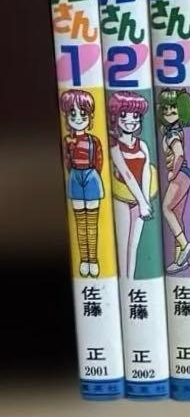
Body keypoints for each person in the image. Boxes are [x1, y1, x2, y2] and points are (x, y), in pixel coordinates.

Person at [108, 92, 158, 280]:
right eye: (124, 115)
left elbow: (146, 172)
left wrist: (145, 201)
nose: (130, 120)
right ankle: (125, 281)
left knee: (133, 245)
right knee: (123, 246)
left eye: (135, 116)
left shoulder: (142, 145)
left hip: (140, 201)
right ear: (115, 117)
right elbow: (127, 174)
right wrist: (142, 202)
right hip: (122, 197)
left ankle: (131, 281)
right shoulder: (115, 146)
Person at [61, 89, 105, 278]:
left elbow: (99, 161)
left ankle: (93, 259)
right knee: (80, 223)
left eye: (83, 113)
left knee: (92, 223)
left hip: (91, 177)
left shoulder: (94, 141)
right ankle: (84, 259)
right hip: (75, 179)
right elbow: (67, 162)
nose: (78, 118)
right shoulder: (67, 141)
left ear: (90, 116)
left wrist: (91, 174)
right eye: (73, 113)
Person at [157, 89, 190, 273]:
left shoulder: (173, 134)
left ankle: (184, 244)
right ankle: (179, 260)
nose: (168, 112)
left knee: (166, 208)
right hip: (186, 176)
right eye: (165, 108)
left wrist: (173, 173)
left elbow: (179, 154)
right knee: (177, 216)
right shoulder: (172, 130)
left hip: (180, 175)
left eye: (173, 107)